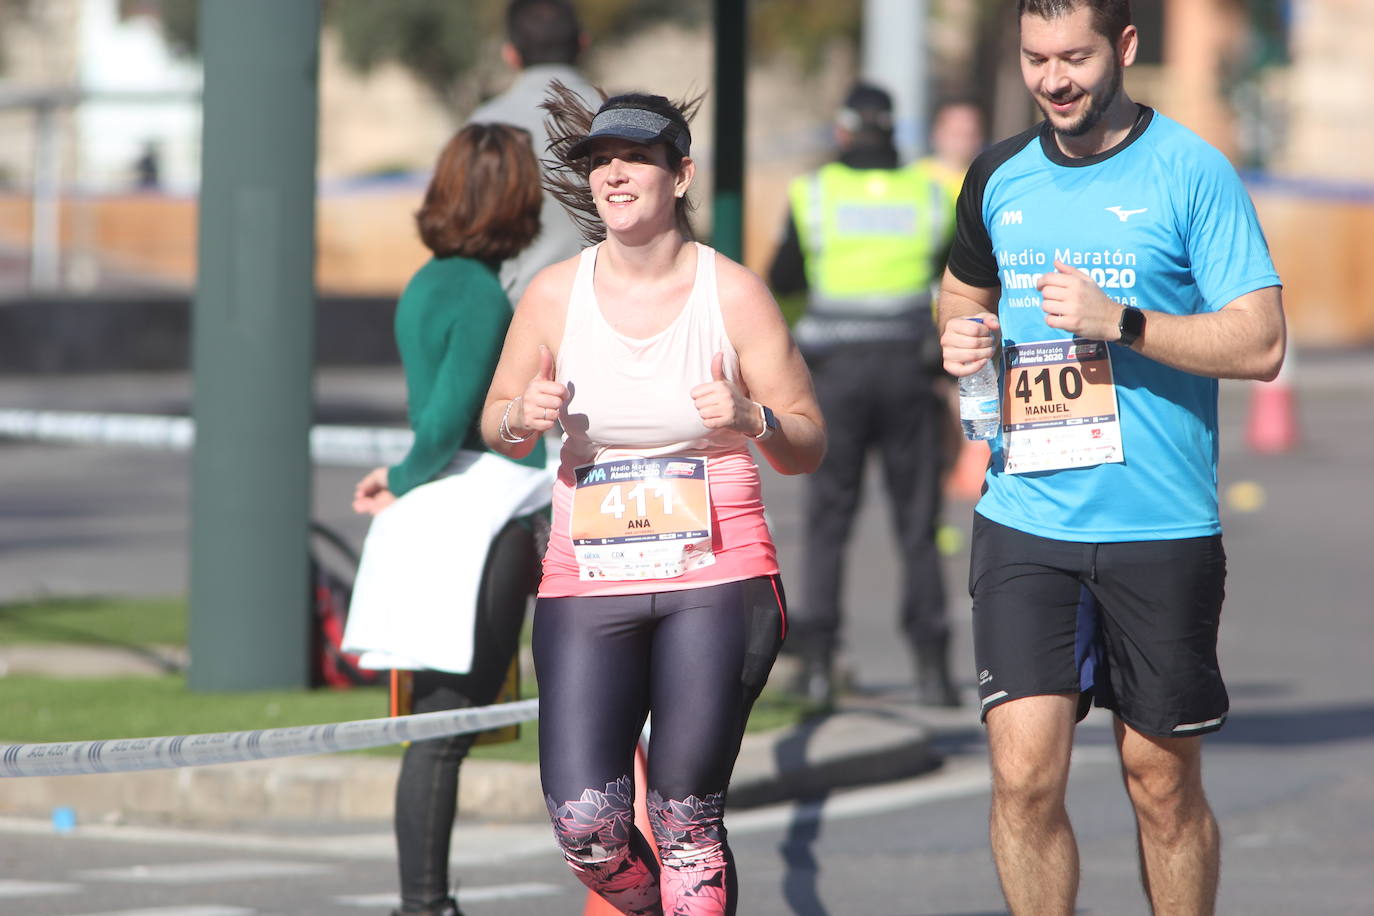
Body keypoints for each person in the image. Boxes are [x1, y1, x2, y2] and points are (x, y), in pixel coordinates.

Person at [937, 1, 1285, 913]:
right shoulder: (998, 177)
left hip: (1159, 526)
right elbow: (959, 296)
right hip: (1025, 520)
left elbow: (1260, 342)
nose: (1055, 80)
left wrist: (1120, 322)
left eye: (1077, 58)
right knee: (1022, 779)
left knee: (1160, 785)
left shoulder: (1190, 173)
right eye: (1036, 58)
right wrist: (962, 341)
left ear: (1125, 48)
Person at [481, 87, 825, 916]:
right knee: (586, 823)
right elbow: (497, 419)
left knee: (682, 815)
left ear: (681, 175)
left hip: (717, 575)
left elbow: (809, 442)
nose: (614, 175)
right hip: (587, 577)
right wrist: (518, 419)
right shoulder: (554, 296)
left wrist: (754, 418)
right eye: (601, 162)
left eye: (633, 158)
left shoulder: (733, 293)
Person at [340, 123, 554, 916]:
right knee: (449, 727)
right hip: (488, 511)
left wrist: (402, 482)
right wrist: (399, 476)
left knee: (438, 729)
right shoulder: (475, 293)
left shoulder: (430, 281)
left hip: (447, 508)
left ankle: (423, 901)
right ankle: (423, 903)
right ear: (517, 201)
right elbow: (448, 421)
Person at [767, 82, 959, 708]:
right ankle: (934, 671)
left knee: (828, 523)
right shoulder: (930, 194)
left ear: (844, 131)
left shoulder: (815, 193)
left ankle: (819, 664)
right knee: (918, 526)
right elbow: (960, 280)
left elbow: (783, 278)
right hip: (910, 371)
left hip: (837, 375)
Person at [468, 0, 599, 305]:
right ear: (583, 43)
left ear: (510, 54)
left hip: (512, 316)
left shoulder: (481, 126)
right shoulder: (620, 119)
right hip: (610, 315)